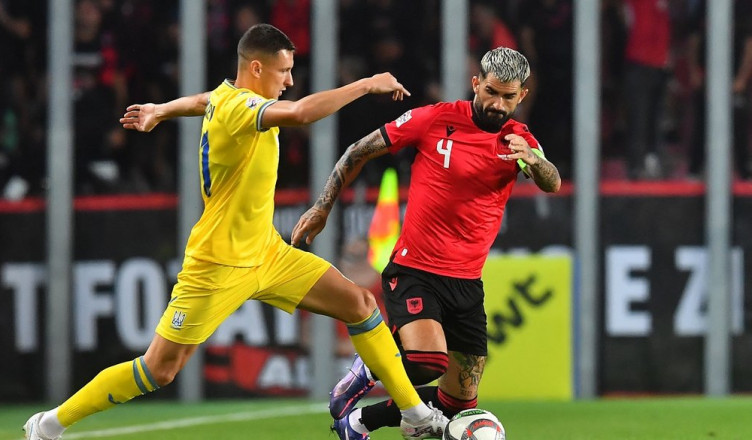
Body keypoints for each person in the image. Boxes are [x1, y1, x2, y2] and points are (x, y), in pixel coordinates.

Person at [23, 24, 448, 440]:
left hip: (266, 252)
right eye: (284, 72)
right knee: (159, 369)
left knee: (359, 302)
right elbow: (301, 113)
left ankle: (413, 413)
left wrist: (161, 110)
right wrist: (366, 84)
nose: (291, 80)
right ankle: (48, 425)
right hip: (218, 262)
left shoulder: (225, 96)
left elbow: (203, 100)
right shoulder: (241, 107)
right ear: (258, 69)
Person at [291, 46, 561, 440]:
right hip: (415, 268)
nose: (497, 103)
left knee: (457, 403)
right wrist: (321, 207)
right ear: (476, 84)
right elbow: (358, 150)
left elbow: (551, 181)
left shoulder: (518, 140)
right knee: (426, 361)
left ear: (521, 96)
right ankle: (366, 368)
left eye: (508, 96)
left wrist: (536, 162)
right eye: (490, 91)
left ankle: (359, 422)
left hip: (467, 283)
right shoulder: (435, 119)